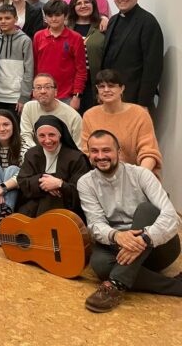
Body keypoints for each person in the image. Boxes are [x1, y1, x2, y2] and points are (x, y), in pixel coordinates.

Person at [78, 130, 182, 312]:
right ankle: (175, 286)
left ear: (119, 152)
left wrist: (144, 239)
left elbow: (171, 216)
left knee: (146, 209)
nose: (100, 156)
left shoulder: (142, 175)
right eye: (94, 151)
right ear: (89, 155)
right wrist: (117, 236)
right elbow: (95, 223)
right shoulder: (85, 183)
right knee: (100, 264)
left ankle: (116, 284)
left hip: (158, 248)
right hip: (118, 246)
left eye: (106, 150)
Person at [81, 69, 162, 177]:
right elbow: (87, 153)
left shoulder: (139, 114)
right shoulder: (89, 116)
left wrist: (139, 178)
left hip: (137, 176)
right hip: (102, 176)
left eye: (111, 86)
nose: (106, 90)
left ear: (122, 88)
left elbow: (149, 152)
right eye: (101, 86)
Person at [101, 0, 164, 111]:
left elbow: (153, 66)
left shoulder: (147, 22)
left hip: (134, 98)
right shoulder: (113, 20)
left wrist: (144, 102)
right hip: (111, 95)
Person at [15, 115, 90, 218]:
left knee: (52, 199)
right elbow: (22, 181)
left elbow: (83, 191)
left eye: (51, 135)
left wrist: (60, 184)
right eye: (42, 136)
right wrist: (43, 182)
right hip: (34, 208)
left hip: (66, 210)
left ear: (60, 135)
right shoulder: (32, 154)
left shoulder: (76, 158)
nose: (47, 140)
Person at [34, 0, 87, 111]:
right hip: (42, 94)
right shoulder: (38, 36)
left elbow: (81, 70)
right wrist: (33, 92)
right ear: (45, 17)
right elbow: (33, 66)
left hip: (67, 96)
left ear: (65, 15)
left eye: (57, 15)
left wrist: (76, 96)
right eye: (50, 15)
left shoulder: (76, 38)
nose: (53, 19)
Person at [19, 73, 83, 147]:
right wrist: (39, 153)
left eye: (47, 87)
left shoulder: (73, 116)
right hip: (36, 153)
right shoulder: (28, 108)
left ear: (55, 92)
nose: (43, 91)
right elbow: (25, 136)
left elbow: (78, 147)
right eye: (39, 87)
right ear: (33, 93)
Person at [67, 0, 105, 112]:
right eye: (79, 3)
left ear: (93, 4)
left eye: (87, 2)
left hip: (93, 82)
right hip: (70, 83)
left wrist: (104, 18)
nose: (83, 6)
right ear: (73, 7)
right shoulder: (66, 27)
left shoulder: (102, 26)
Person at [0, 4, 34, 115]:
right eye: (0, 19)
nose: (3, 21)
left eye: (7, 18)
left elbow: (29, 70)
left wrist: (24, 96)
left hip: (16, 97)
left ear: (15, 19)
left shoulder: (25, 41)